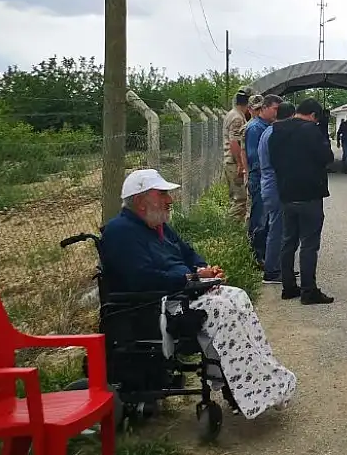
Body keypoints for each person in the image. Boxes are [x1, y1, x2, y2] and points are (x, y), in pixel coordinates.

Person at [100, 168, 297, 420]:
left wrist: (203, 269)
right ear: (140, 201)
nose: (169, 200)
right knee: (222, 309)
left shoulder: (156, 226)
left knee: (238, 296)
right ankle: (246, 390)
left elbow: (188, 253)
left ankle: (265, 376)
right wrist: (191, 279)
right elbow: (142, 279)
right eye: (162, 195)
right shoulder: (120, 233)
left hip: (181, 293)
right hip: (153, 305)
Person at [269, 98, 335, 305]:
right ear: (313, 115)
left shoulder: (275, 131)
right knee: (309, 244)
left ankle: (288, 287)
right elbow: (327, 157)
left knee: (288, 241)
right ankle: (309, 291)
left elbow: (273, 161)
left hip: (286, 194)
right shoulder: (311, 130)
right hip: (309, 195)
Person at [258, 101, 296, 284]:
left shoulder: (269, 131)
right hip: (274, 186)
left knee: (278, 227)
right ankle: (272, 271)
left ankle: (279, 267)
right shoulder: (275, 133)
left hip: (269, 183)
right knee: (277, 229)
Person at [245, 94, 282, 267]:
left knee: (268, 219)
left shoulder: (268, 126)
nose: (277, 112)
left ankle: (267, 255)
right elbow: (255, 157)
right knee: (260, 218)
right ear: (264, 108)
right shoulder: (255, 128)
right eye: (275, 109)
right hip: (259, 178)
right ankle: (257, 255)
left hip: (266, 178)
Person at [222, 86, 253, 222]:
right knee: (240, 200)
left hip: (230, 161)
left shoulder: (232, 113)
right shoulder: (237, 118)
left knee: (235, 198)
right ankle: (231, 230)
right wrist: (241, 165)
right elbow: (234, 142)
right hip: (234, 163)